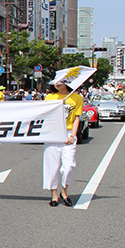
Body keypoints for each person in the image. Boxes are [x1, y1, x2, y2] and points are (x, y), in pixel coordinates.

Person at [43, 78, 82, 207]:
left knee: (69, 166)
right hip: (53, 133)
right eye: (56, 81)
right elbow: (45, 115)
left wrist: (73, 135)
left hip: (68, 134)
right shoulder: (50, 97)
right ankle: (54, 194)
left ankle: (64, 191)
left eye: (61, 81)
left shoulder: (76, 98)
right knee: (52, 166)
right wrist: (57, 106)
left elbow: (76, 118)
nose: (57, 83)